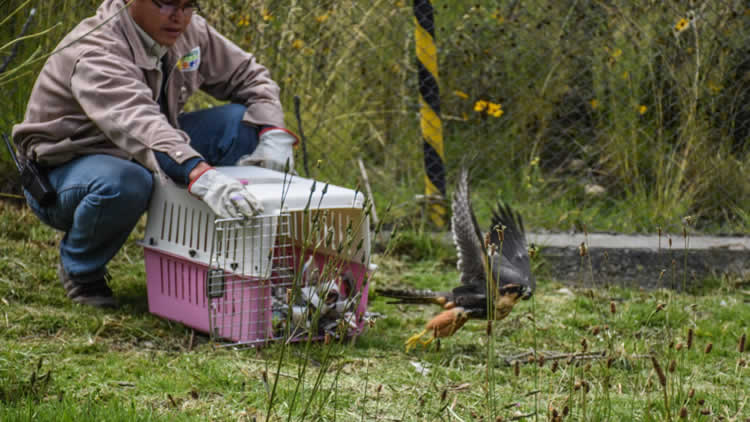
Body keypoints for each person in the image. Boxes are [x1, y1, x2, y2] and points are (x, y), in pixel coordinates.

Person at [12, 0, 298, 308]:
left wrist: (273, 134)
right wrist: (202, 175)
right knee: (125, 182)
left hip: (150, 149)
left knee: (241, 125)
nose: (178, 16)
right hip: (68, 171)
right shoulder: (97, 49)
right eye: (165, 3)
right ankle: (81, 269)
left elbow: (249, 75)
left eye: (189, 5)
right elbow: (139, 123)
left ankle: (207, 254)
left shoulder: (188, 31)